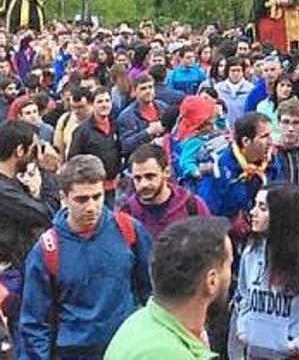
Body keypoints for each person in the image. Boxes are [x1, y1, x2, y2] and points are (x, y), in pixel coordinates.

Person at [18, 154, 152, 359]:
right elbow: (34, 323)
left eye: (96, 197)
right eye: (81, 199)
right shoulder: (46, 249)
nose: (91, 207)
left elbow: (151, 292)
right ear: (64, 197)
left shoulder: (128, 229)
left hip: (128, 348)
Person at [232, 184, 299, 359]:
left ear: (281, 215)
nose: (253, 212)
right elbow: (243, 296)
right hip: (256, 354)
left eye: (262, 208)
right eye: (255, 205)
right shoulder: (251, 252)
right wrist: (244, 329)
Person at [104, 217, 232, 359]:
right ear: (211, 281)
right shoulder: (168, 354)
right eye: (228, 266)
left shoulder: (138, 322)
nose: (231, 276)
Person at [0, 120, 50, 339]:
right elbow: (44, 215)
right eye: (33, 148)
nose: (36, 155)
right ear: (19, 150)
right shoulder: (4, 191)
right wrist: (47, 178)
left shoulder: (12, 185)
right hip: (10, 276)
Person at [117, 143, 210, 238]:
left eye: (150, 176)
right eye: (137, 178)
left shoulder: (192, 206)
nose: (143, 184)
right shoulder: (127, 213)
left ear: (166, 172)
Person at [199, 112, 272, 224]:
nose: (271, 141)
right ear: (246, 141)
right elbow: (208, 213)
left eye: (270, 135)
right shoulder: (220, 168)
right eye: (264, 137)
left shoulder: (271, 164)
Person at [67, 87, 122, 205]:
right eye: (100, 101)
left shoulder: (116, 125)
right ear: (92, 104)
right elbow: (73, 161)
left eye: (107, 101)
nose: (104, 105)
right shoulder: (82, 131)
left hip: (115, 188)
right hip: (93, 190)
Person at [267, 98, 299, 194]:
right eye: (286, 122)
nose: (290, 129)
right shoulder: (269, 152)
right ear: (279, 123)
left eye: (296, 123)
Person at [118, 74, 167, 157]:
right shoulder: (125, 116)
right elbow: (126, 146)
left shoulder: (163, 107)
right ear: (134, 91)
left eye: (150, 87)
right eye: (143, 88)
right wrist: (148, 132)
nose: (148, 91)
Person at [216, 56, 254, 130]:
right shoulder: (218, 88)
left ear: (243, 71)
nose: (236, 74)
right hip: (223, 130)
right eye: (233, 70)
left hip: (244, 129)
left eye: (239, 70)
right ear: (227, 71)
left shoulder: (251, 89)